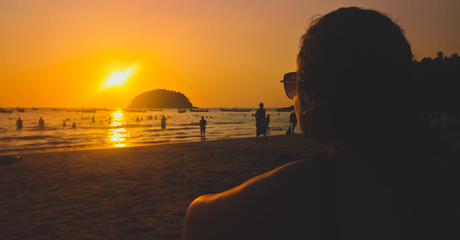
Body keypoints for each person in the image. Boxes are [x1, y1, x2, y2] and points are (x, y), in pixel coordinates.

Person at [183, 7, 459, 239]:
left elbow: (197, 218)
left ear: (314, 95)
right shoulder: (441, 166)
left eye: (295, 82)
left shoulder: (313, 184)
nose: (293, 94)